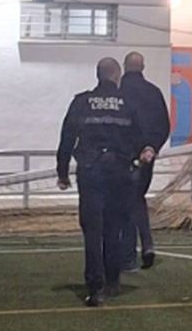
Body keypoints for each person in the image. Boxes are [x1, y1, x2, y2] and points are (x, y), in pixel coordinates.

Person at [57, 59, 159, 307]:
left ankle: (95, 287)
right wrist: (145, 150)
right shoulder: (127, 102)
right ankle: (113, 280)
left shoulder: (81, 102)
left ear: (98, 75)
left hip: (90, 171)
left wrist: (63, 172)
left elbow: (67, 138)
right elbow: (142, 136)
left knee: (92, 231)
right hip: (119, 172)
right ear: (117, 76)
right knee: (114, 228)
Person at [118, 52, 171, 272]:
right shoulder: (154, 92)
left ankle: (128, 257)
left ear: (124, 67)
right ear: (143, 67)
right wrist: (151, 147)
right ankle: (147, 244)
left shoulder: (120, 94)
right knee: (137, 199)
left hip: (125, 157)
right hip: (147, 157)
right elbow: (164, 124)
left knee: (126, 204)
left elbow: (121, 126)